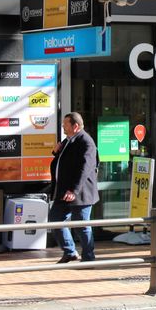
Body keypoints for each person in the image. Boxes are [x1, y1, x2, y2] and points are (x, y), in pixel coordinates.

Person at [48, 112, 99, 263]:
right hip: (64, 191)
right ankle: (69, 251)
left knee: (81, 225)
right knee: (55, 219)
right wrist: (56, 152)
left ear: (75, 126)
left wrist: (74, 190)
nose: (63, 126)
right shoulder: (68, 140)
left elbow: (85, 168)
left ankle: (89, 257)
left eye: (65, 124)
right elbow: (62, 163)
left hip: (80, 193)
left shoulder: (86, 142)